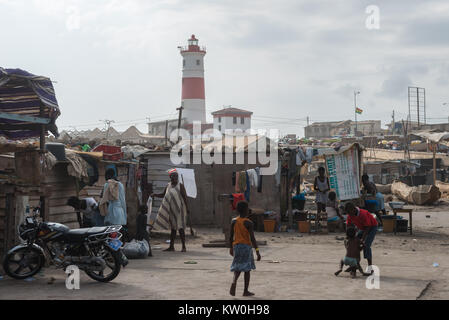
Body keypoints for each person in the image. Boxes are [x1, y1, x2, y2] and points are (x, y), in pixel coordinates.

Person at [151, 169, 190, 252]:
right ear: (170, 177)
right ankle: (171, 247)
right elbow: (163, 195)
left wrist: (187, 208)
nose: (175, 177)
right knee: (173, 228)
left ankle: (183, 247)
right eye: (173, 176)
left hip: (180, 210)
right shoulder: (168, 185)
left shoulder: (180, 185)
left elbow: (185, 197)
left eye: (176, 176)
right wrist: (155, 195)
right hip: (171, 210)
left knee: (180, 228)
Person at [229, 200, 261, 297]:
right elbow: (252, 238)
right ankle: (245, 291)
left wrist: (231, 248)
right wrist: (257, 251)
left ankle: (234, 281)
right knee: (247, 270)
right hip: (246, 247)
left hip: (236, 246)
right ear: (246, 210)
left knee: (237, 267)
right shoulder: (249, 223)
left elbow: (231, 236)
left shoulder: (233, 221)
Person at [100, 168, 128, 267]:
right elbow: (123, 201)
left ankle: (117, 257)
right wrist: (125, 215)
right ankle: (119, 256)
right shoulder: (120, 185)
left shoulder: (107, 184)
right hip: (120, 211)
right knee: (116, 236)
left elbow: (103, 200)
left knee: (111, 237)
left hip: (111, 212)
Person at [345, 202, 378, 267]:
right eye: (348, 213)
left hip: (372, 227)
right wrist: (348, 236)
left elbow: (368, 227)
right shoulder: (350, 214)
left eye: (349, 212)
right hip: (362, 228)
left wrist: (363, 239)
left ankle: (370, 267)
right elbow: (348, 225)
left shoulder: (363, 214)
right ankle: (354, 264)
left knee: (366, 246)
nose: (349, 215)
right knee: (354, 243)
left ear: (353, 209)